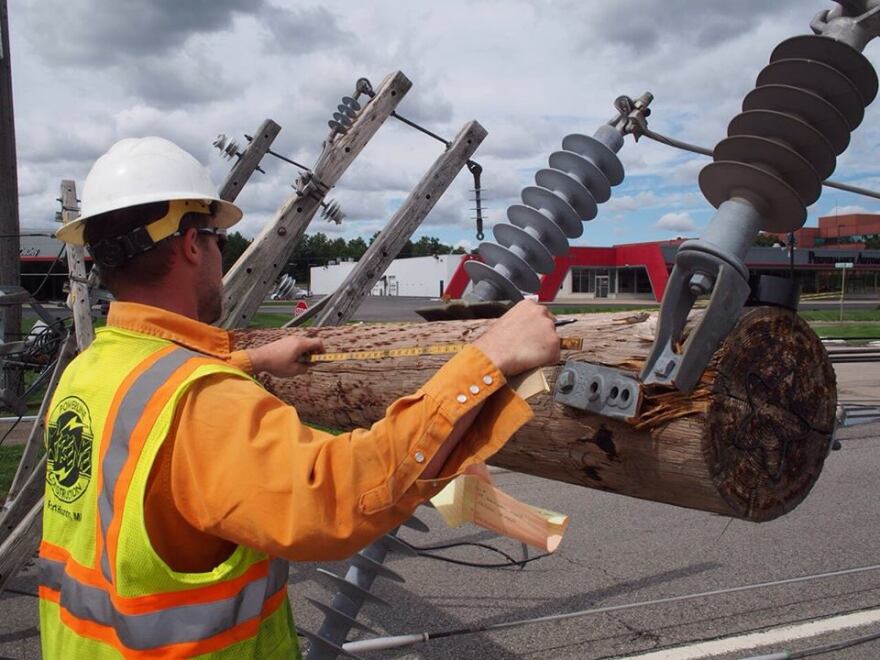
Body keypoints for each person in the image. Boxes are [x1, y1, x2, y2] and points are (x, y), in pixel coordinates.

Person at [41, 137, 561, 658]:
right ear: (190, 244)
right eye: (218, 239)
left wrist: (255, 361)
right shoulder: (202, 404)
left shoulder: (90, 372)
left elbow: (162, 402)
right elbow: (337, 497)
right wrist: (488, 358)